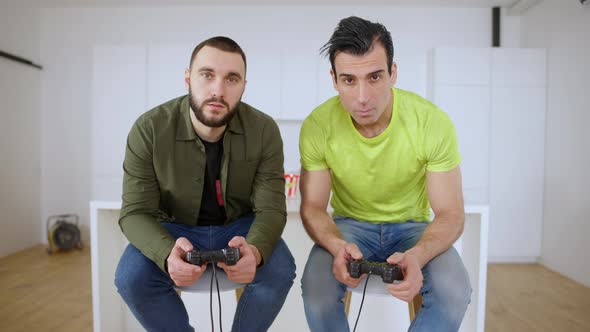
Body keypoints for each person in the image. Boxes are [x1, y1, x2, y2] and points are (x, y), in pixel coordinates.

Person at [299, 16, 471, 332]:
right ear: (334, 80)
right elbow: (312, 207)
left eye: (375, 76)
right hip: (348, 228)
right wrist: (338, 247)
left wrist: (418, 255)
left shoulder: (432, 122)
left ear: (393, 73)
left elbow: (450, 213)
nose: (363, 97)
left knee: (455, 292)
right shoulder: (317, 126)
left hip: (413, 228)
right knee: (316, 292)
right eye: (349, 80)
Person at [114, 36, 296, 332]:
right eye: (207, 75)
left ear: (243, 86)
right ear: (188, 78)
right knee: (131, 278)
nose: (218, 90)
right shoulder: (148, 128)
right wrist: (165, 252)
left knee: (280, 268)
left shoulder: (264, 130)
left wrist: (257, 251)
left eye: (232, 79)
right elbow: (134, 213)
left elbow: (272, 209)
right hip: (173, 227)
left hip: (239, 227)